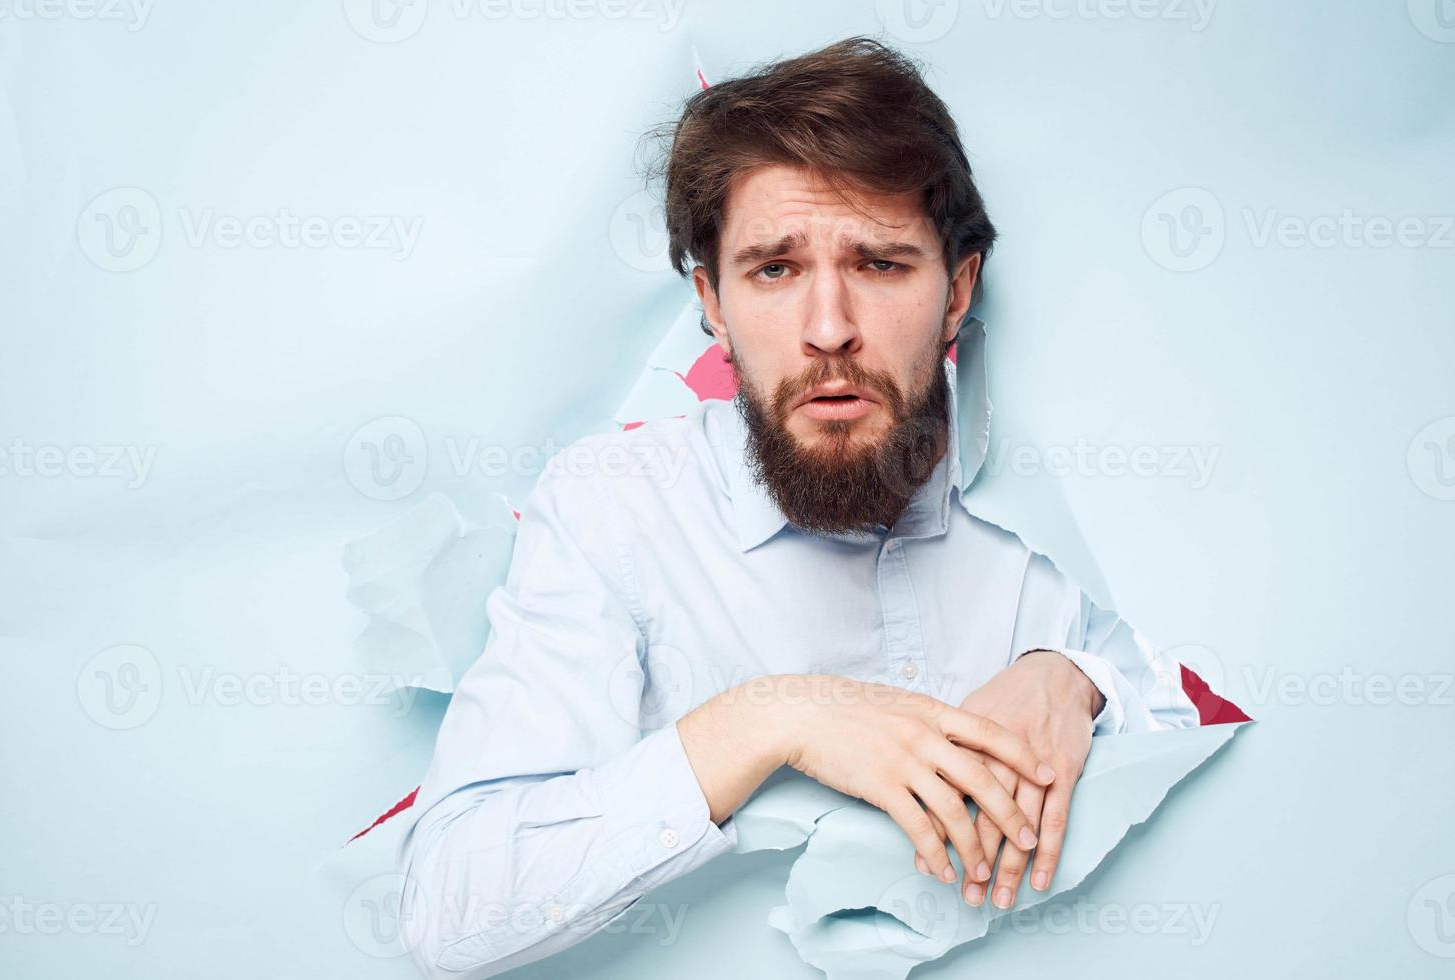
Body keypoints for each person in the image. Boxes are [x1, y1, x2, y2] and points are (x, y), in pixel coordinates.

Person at [396, 35, 1197, 978]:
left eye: (883, 264)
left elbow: (1209, 688)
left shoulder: (1068, 508)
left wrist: (1078, 675)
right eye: (775, 270)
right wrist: (775, 719)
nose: (829, 331)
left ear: (957, 292)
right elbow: (446, 902)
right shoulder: (615, 512)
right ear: (713, 303)